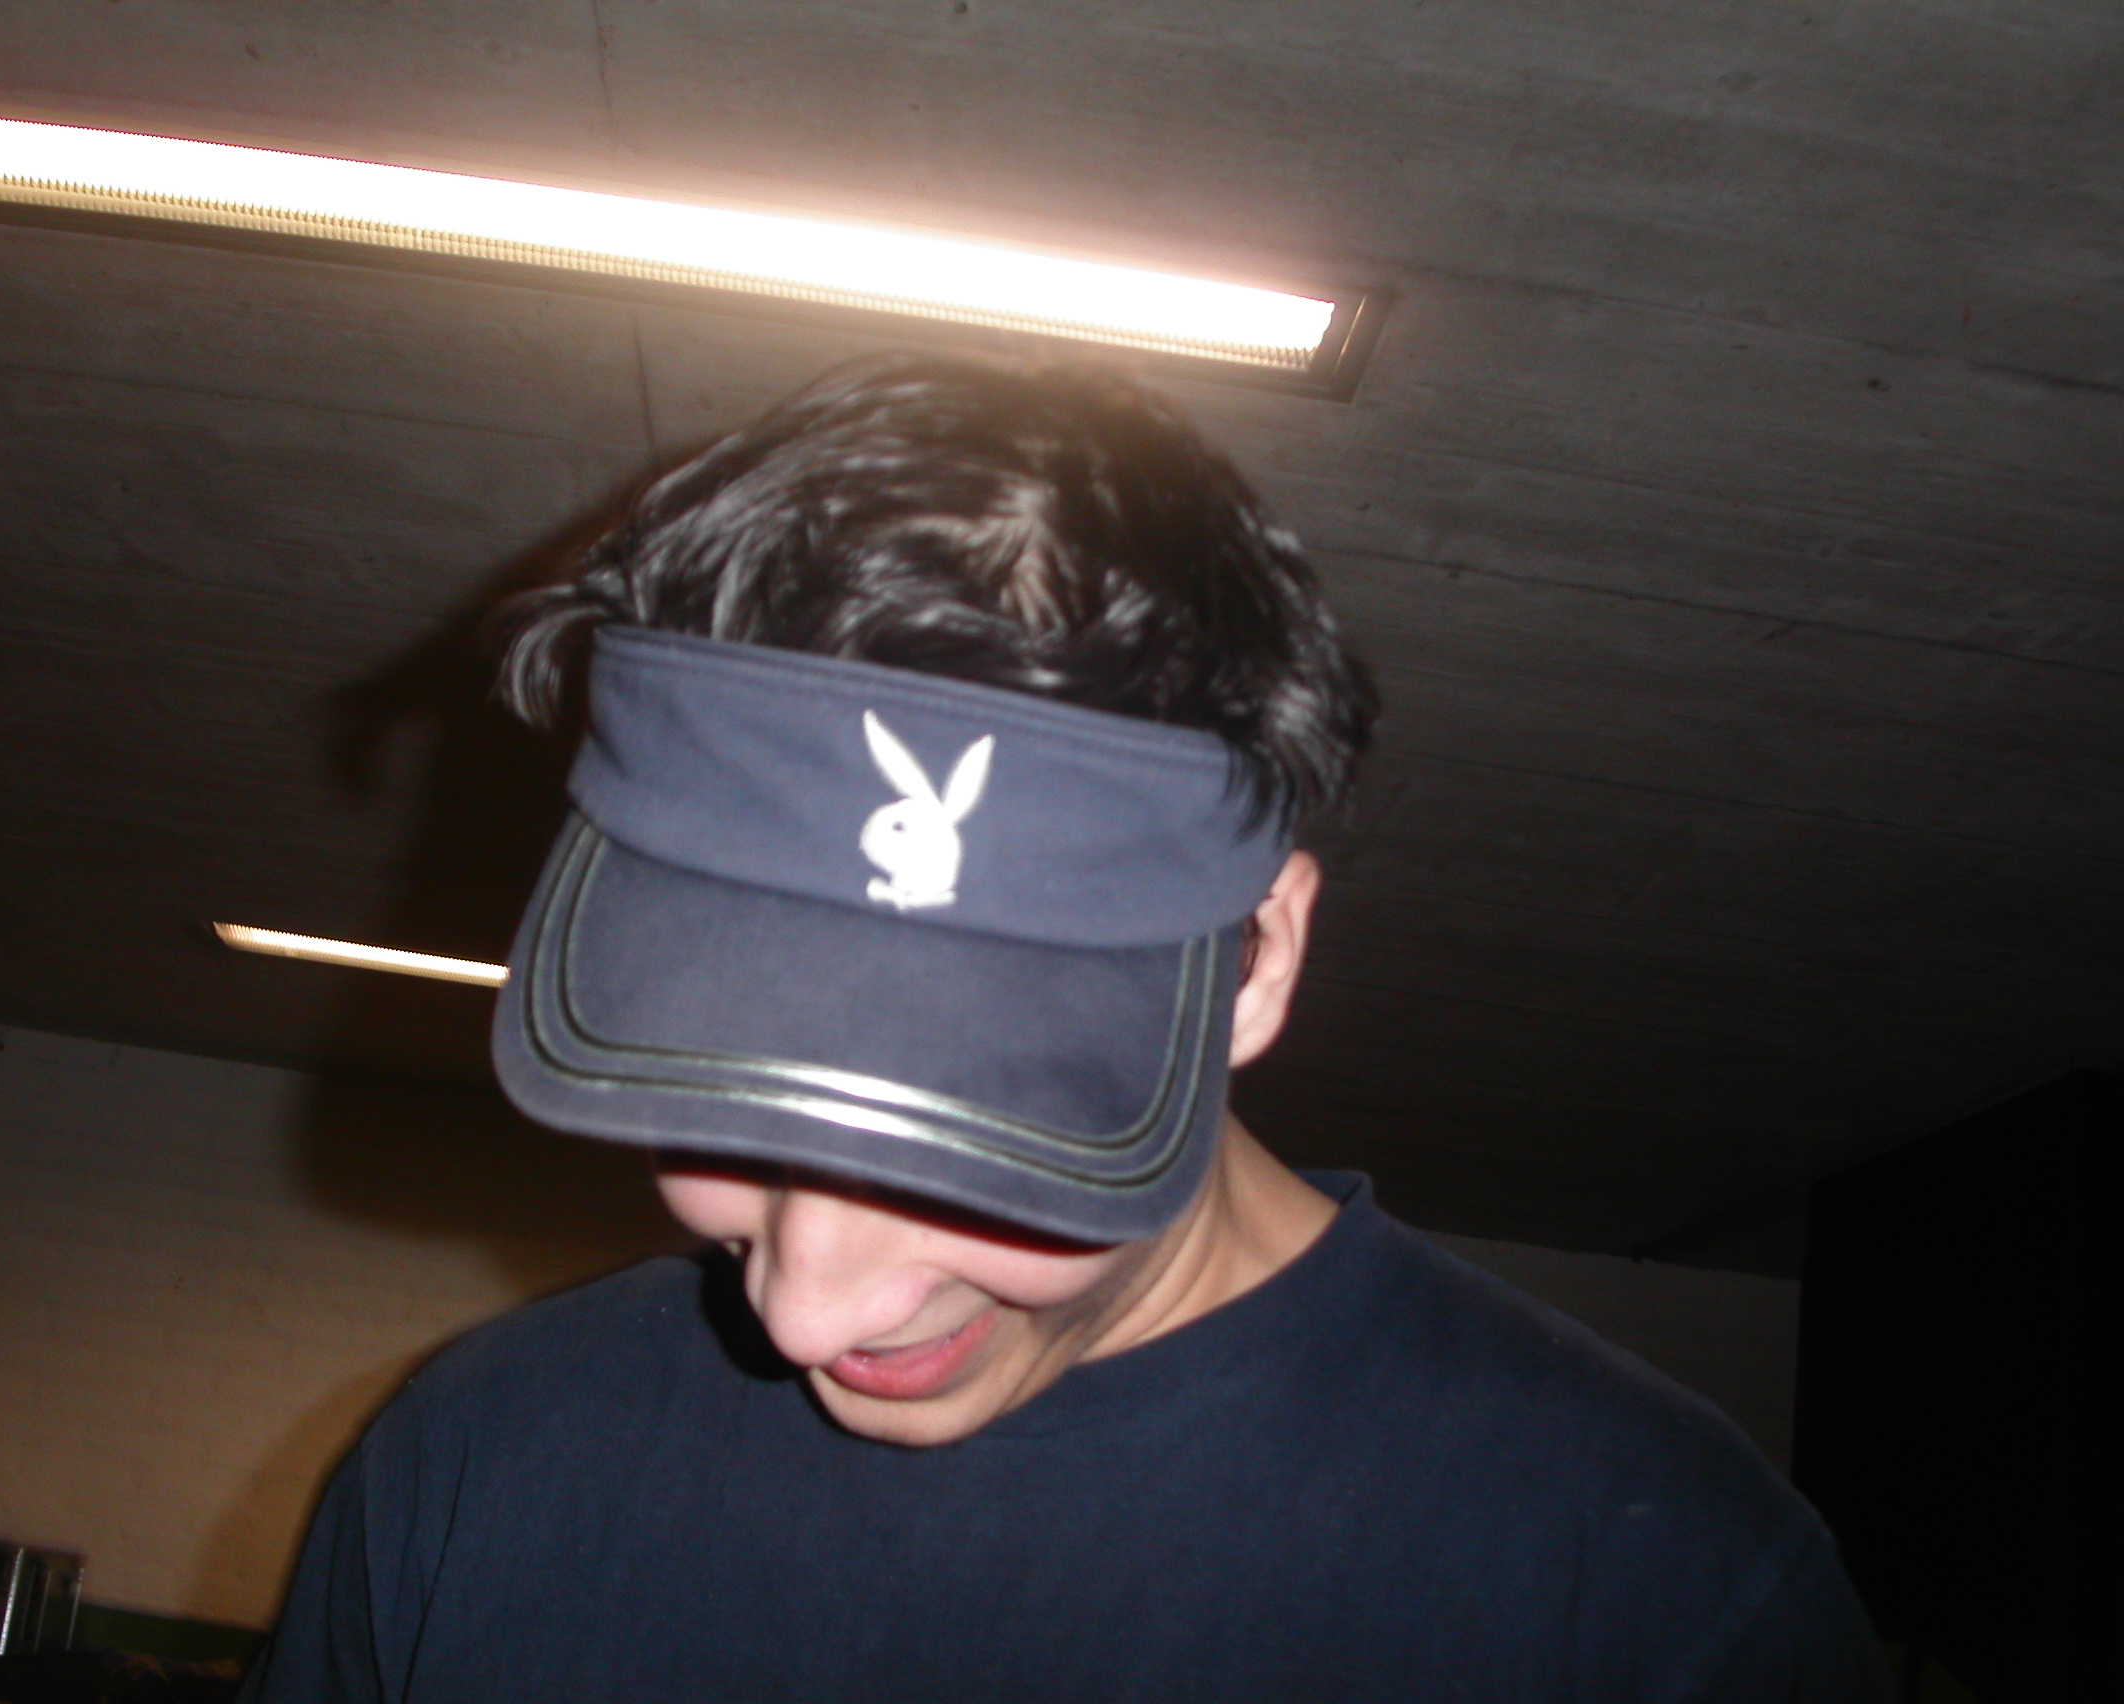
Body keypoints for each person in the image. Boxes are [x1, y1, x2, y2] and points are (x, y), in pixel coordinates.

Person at [243, 355, 1890, 1702]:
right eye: (730, 1110)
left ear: (1258, 959)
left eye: (969, 1139)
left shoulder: (1651, 1600)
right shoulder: (481, 1464)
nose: (804, 1307)